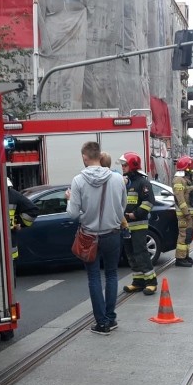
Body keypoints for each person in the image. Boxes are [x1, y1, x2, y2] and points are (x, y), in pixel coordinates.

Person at [66, 141, 127, 336]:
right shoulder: (117, 179)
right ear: (100, 156)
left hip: (89, 236)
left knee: (93, 278)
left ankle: (102, 323)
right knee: (111, 275)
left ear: (85, 157)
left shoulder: (78, 181)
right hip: (112, 234)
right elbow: (122, 206)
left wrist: (69, 200)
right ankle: (111, 317)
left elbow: (72, 215)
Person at [119, 152, 158, 296]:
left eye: (125, 165)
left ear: (132, 165)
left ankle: (151, 281)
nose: (122, 167)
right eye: (122, 165)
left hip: (139, 224)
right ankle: (138, 281)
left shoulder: (143, 182)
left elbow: (149, 202)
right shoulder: (125, 182)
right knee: (130, 254)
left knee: (141, 253)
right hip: (126, 225)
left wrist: (135, 214)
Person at [172, 155, 193, 267]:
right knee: (183, 235)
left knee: (188, 235)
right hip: (184, 214)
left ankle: (185, 256)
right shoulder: (179, 180)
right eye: (191, 167)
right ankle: (180, 258)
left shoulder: (186, 179)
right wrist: (186, 212)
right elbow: (180, 198)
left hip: (189, 214)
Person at [6, 178, 39, 261]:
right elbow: (33, 210)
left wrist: (17, 221)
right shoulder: (13, 194)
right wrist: (18, 222)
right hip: (10, 248)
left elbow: (33, 210)